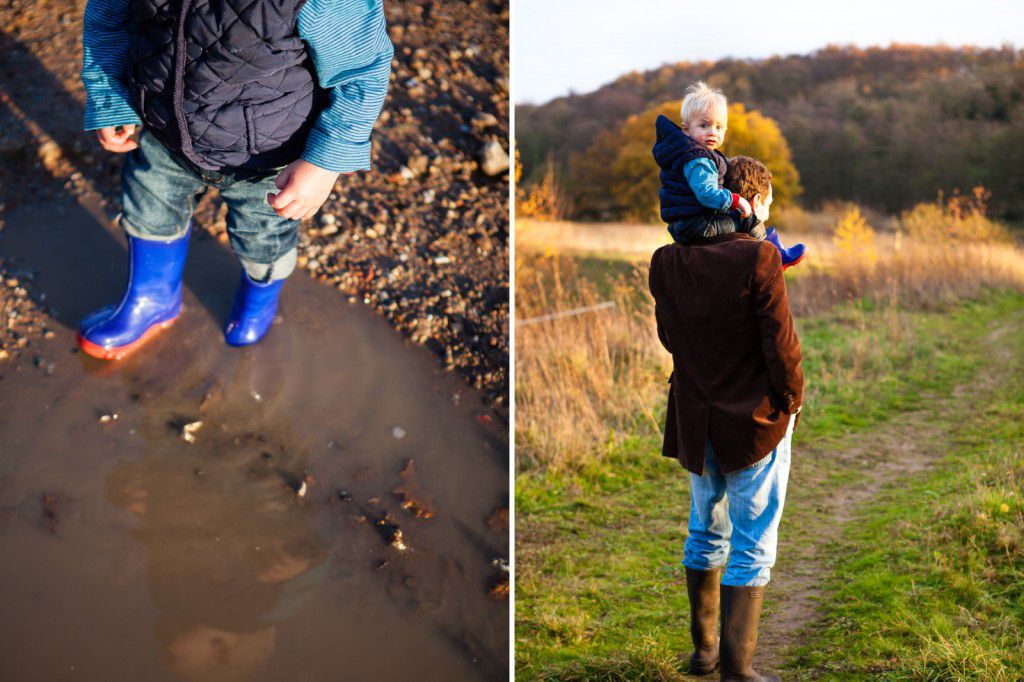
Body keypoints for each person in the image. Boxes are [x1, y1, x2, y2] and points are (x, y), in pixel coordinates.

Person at [77, 0, 393, 359]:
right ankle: (152, 299)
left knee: (262, 238)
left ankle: (259, 300)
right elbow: (108, 20)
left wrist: (323, 162)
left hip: (269, 156)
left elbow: (362, 69)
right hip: (163, 131)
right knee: (148, 209)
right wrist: (109, 97)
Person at [648, 166, 804, 681]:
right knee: (753, 540)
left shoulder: (665, 260)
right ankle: (737, 672)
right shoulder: (760, 256)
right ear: (753, 201)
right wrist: (792, 399)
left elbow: (669, 338)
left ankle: (705, 654)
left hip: (695, 415)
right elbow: (780, 344)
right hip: (755, 419)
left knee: (705, 531)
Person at [652, 81, 804, 268]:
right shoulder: (699, 159)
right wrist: (737, 201)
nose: (712, 132)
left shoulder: (692, 155)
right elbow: (706, 193)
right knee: (747, 220)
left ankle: (773, 250)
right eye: (704, 125)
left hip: (687, 223)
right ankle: (774, 255)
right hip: (697, 225)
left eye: (718, 127)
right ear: (686, 129)